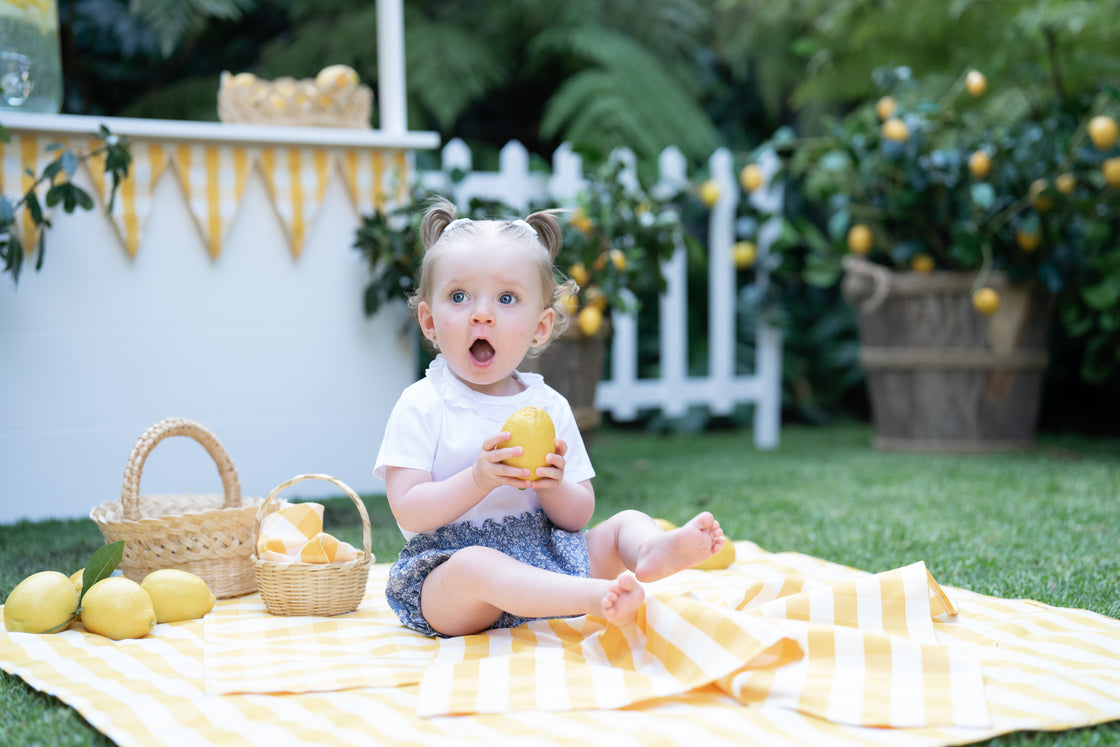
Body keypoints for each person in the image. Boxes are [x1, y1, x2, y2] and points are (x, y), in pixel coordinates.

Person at [374, 200, 726, 638]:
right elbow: (409, 509)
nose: (481, 314)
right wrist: (478, 479)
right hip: (453, 583)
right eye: (459, 296)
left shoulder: (548, 406)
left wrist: (555, 485)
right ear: (429, 320)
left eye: (506, 298)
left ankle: (651, 551)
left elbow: (577, 517)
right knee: (476, 566)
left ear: (540, 328)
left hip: (544, 556)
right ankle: (593, 597)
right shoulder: (423, 403)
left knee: (620, 525)